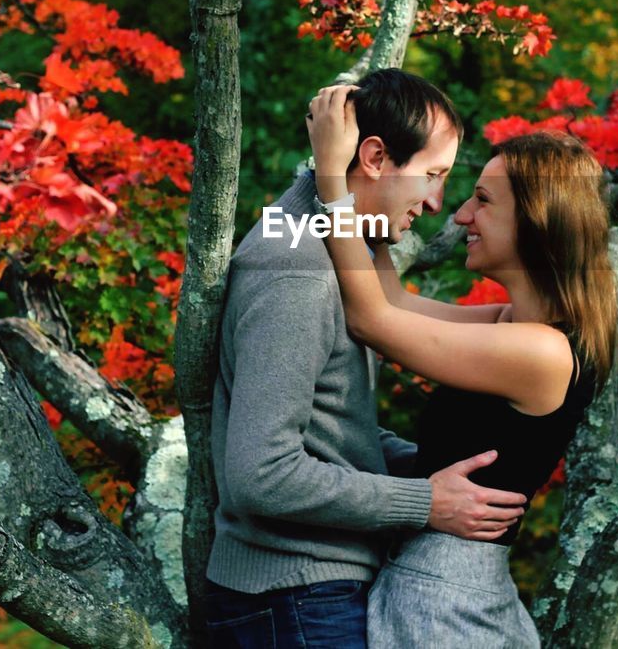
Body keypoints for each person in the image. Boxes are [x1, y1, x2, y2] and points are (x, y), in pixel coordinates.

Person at [207, 69, 530, 648]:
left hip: (311, 594)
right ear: (375, 157)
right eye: (432, 175)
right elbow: (261, 475)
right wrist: (425, 501)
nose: (436, 203)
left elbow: (328, 425)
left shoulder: (324, 243)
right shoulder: (297, 267)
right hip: (294, 600)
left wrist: (441, 468)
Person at [307, 84, 618, 648]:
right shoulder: (512, 326)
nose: (460, 213)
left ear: (537, 218)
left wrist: (332, 181)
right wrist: (370, 192)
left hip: (443, 602)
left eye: (483, 200)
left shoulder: (542, 353)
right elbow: (395, 304)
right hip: (442, 586)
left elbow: (372, 320)